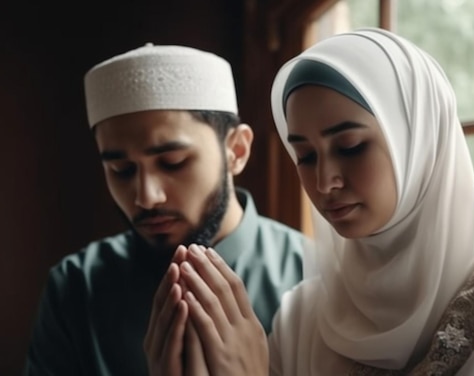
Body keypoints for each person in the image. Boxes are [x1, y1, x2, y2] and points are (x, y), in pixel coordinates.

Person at [173, 28, 474, 375]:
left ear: (417, 142)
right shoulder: (303, 314)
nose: (325, 181)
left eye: (350, 146)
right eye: (306, 156)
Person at [23, 43, 305, 376]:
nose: (146, 197)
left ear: (236, 150)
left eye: (173, 163)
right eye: (122, 170)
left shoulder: (317, 277)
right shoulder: (75, 288)